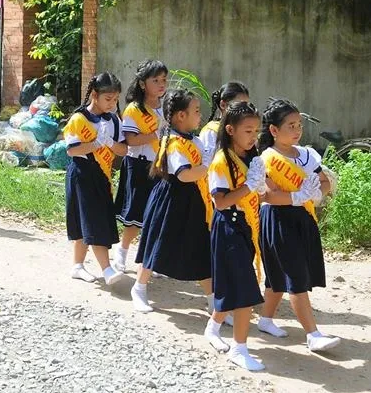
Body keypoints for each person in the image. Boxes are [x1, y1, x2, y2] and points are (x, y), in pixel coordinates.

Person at [252, 98, 340, 352]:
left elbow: (323, 181)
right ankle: (313, 334)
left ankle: (266, 319)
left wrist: (316, 194)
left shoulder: (307, 155)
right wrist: (297, 196)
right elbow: (268, 195)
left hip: (302, 218)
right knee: (295, 276)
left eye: (299, 124)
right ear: (274, 131)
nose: (297, 130)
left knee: (278, 275)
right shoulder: (267, 159)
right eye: (290, 125)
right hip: (278, 219)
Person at [131, 88, 213, 314]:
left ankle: (213, 300)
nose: (200, 115)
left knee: (199, 248)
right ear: (180, 116)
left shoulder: (194, 140)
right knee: (157, 243)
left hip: (193, 201)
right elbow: (185, 175)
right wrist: (206, 167)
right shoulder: (175, 143)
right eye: (196, 111)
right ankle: (139, 288)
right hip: (171, 200)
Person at [205, 100, 266, 371]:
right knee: (245, 289)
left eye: (256, 132)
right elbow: (221, 202)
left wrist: (261, 184)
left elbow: (260, 190)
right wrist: (249, 186)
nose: (254, 137)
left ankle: (213, 327)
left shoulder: (252, 157)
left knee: (233, 283)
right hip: (228, 226)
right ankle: (239, 348)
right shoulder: (221, 161)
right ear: (230, 130)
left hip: (246, 226)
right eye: (248, 131)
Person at [63, 72, 127, 285]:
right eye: (108, 99)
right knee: (93, 221)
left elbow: (123, 150)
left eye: (115, 99)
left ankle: (77, 265)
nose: (112, 103)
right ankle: (107, 269)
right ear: (94, 95)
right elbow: (72, 150)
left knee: (88, 220)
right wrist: (95, 144)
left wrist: (109, 142)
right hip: (82, 174)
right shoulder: (79, 119)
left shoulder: (114, 120)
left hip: (102, 176)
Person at [114, 59, 167, 272]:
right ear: (143, 84)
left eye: (164, 79)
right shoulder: (134, 110)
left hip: (160, 167)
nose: (162, 84)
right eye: (156, 80)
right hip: (138, 166)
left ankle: (149, 261)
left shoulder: (166, 106)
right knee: (135, 217)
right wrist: (155, 133)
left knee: (154, 215)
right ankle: (122, 252)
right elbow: (131, 141)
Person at [198, 82, 251, 164]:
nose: (244, 111)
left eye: (246, 106)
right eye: (238, 106)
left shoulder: (247, 131)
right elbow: (208, 165)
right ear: (223, 104)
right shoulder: (211, 131)